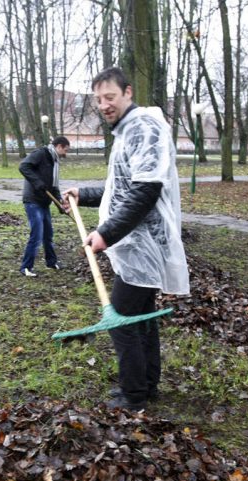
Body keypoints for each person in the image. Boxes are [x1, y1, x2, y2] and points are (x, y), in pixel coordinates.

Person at [65, 67, 189, 411]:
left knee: (120, 319)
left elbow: (146, 189)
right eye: (99, 100)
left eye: (111, 97)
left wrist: (106, 233)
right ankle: (147, 385)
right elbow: (121, 188)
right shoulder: (127, 132)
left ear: (128, 93)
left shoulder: (143, 128)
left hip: (143, 245)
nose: (104, 105)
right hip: (136, 245)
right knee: (142, 318)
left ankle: (133, 396)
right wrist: (84, 193)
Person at [18, 135, 70, 277]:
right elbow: (23, 166)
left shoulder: (55, 161)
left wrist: (60, 204)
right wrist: (38, 183)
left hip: (44, 202)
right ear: (59, 146)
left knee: (48, 234)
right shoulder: (41, 154)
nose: (66, 154)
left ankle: (51, 262)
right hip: (33, 201)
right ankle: (26, 267)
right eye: (65, 150)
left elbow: (54, 186)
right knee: (37, 234)